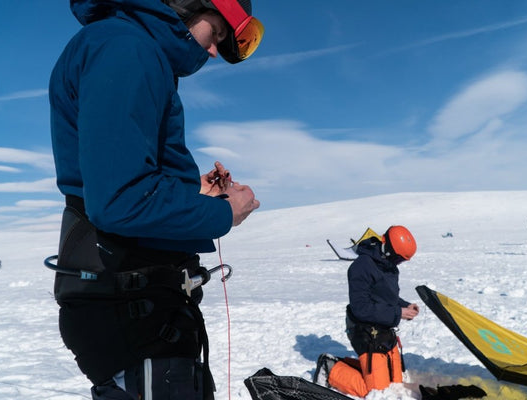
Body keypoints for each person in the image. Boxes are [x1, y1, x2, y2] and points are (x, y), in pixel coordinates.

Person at [48, 0, 264, 399]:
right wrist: (224, 212)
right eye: (215, 33)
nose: (213, 51)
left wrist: (193, 192)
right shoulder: (127, 49)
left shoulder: (124, 45)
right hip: (133, 303)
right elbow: (121, 200)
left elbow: (121, 181)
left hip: (133, 301)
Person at [313, 226, 419, 398]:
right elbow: (361, 308)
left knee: (396, 382)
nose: (399, 263)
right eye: (399, 259)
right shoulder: (361, 267)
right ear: (389, 251)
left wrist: (405, 306)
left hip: (383, 330)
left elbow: (386, 297)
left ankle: (361, 369)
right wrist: (398, 313)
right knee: (377, 390)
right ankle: (330, 367)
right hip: (365, 332)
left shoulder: (389, 266)